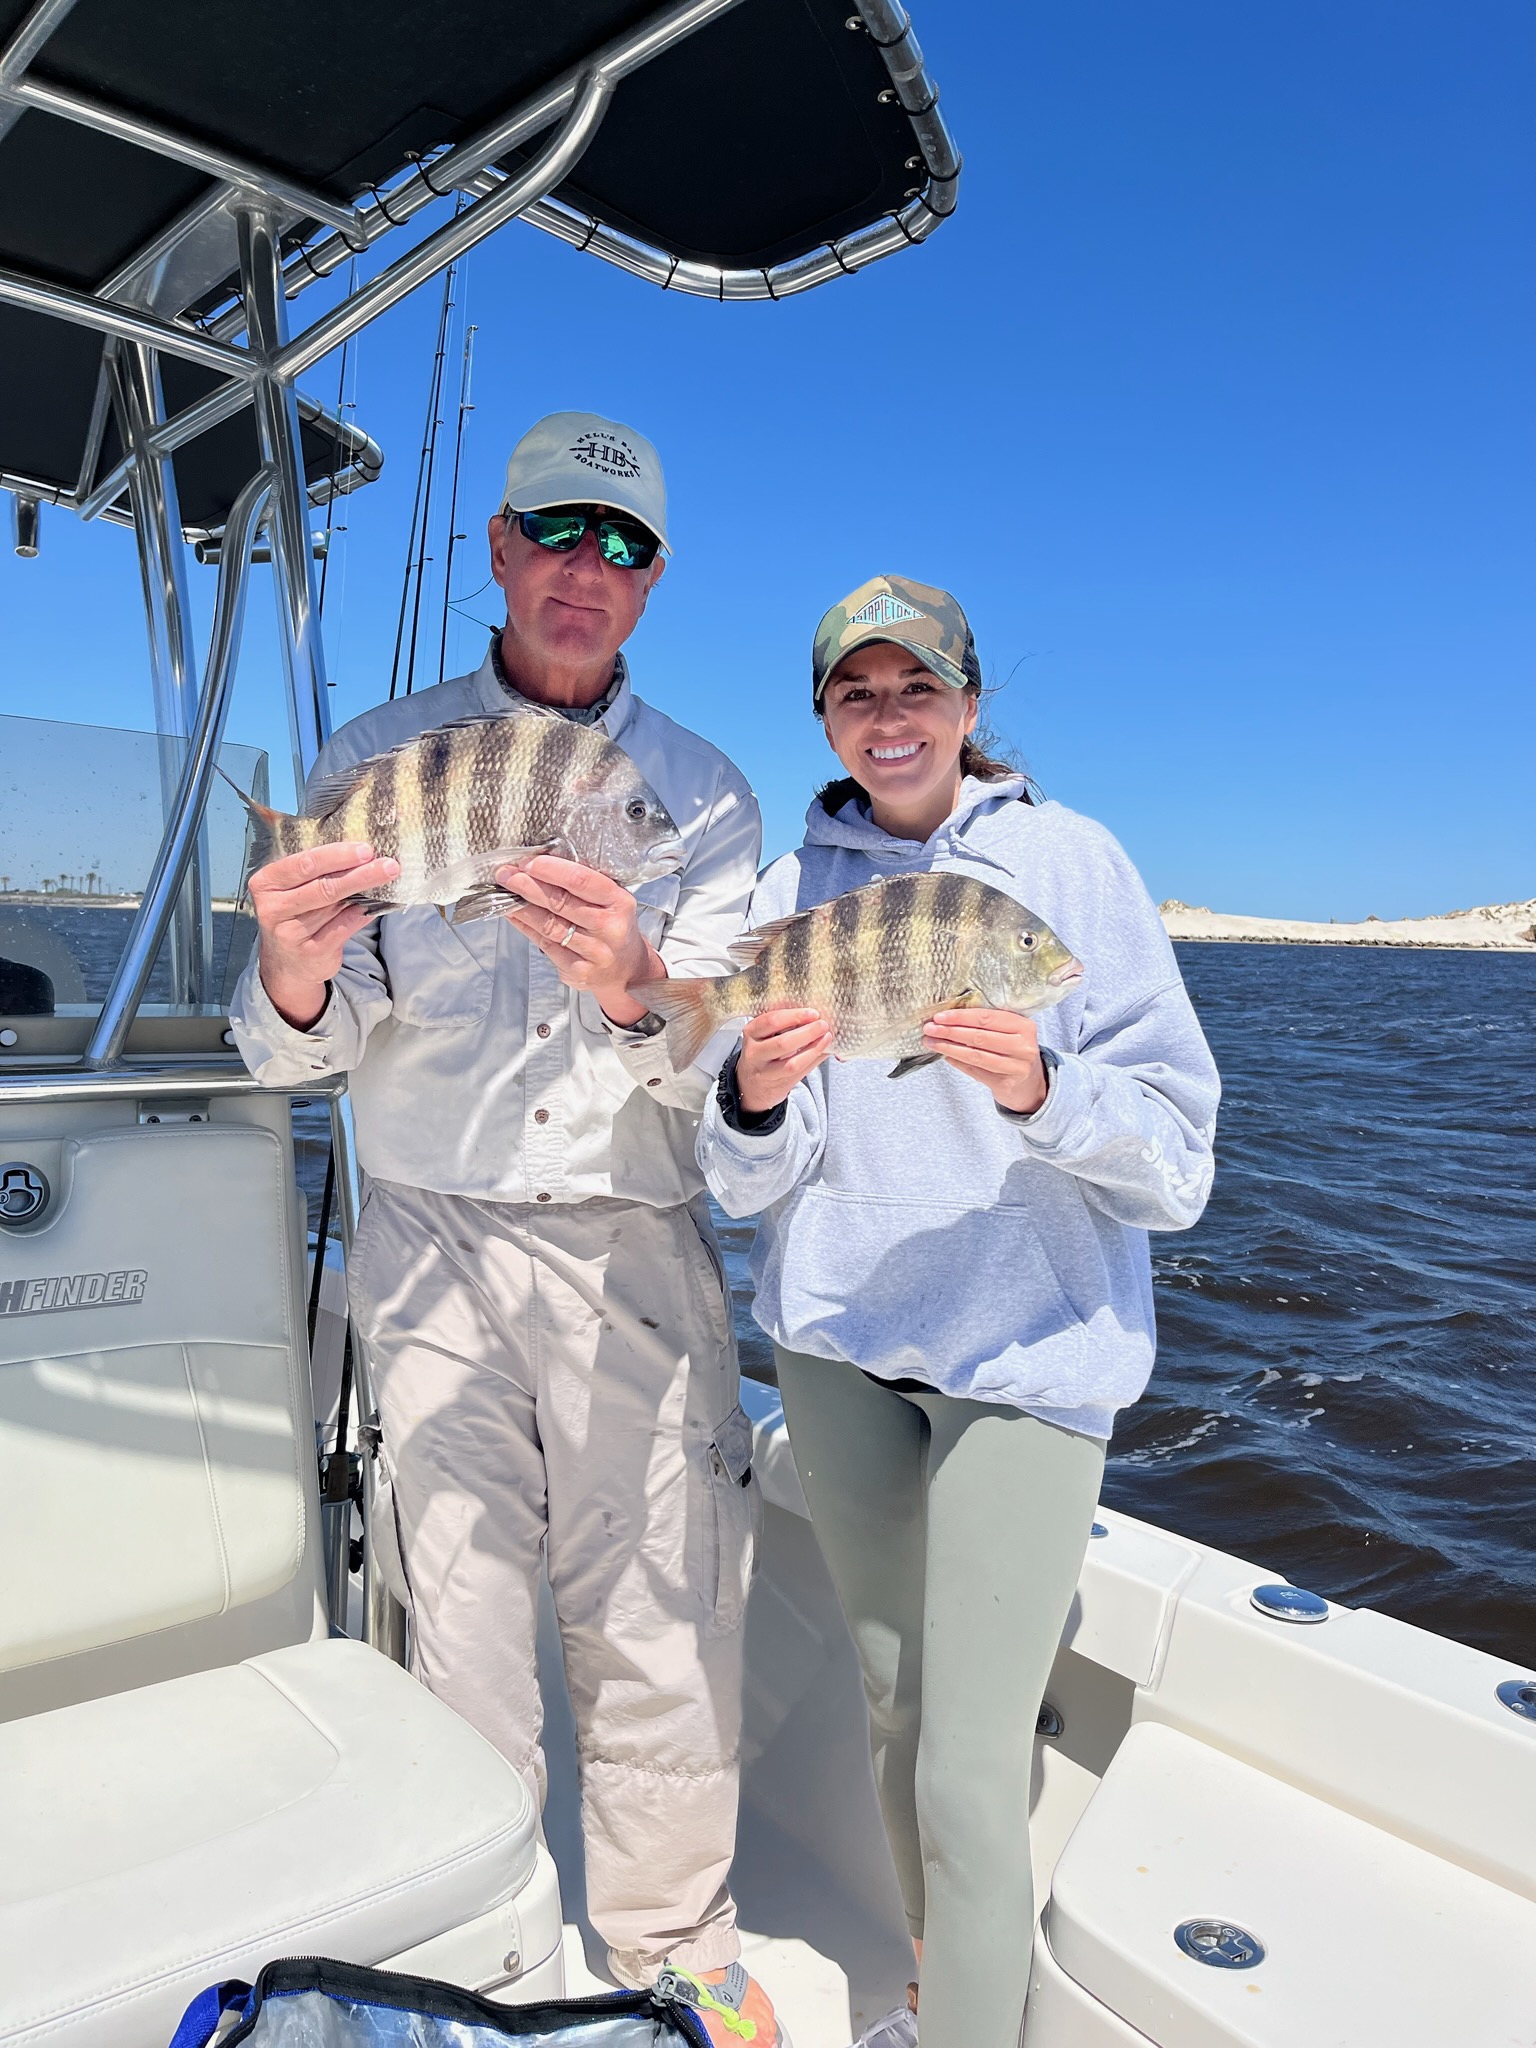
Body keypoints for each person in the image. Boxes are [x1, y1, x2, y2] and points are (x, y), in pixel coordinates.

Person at [230, 412, 783, 2048]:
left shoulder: (706, 798)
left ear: (653, 581)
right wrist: (292, 967)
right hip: (429, 1242)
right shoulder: (374, 758)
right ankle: (481, 1950)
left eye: (622, 545)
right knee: (459, 1609)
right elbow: (308, 1051)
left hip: (633, 1248)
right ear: (497, 547)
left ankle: (674, 1944)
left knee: (663, 1614)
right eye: (556, 529)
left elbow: (717, 1067)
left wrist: (636, 986)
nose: (584, 567)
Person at [695, 575, 1220, 2048]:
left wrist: (1047, 1091)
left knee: (968, 1765)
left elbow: (1181, 1164)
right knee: (893, 1707)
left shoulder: (1075, 868)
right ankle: (938, 1988)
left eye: (917, 687)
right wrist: (750, 1096)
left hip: (1028, 1362)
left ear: (970, 706)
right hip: (836, 1349)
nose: (890, 717)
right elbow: (745, 1180)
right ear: (825, 720)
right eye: (856, 693)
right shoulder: (786, 895)